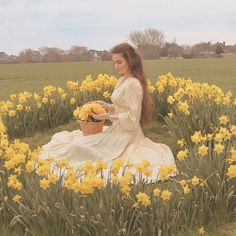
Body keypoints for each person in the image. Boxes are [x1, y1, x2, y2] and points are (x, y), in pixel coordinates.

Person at [40, 42, 177, 180]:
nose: (116, 66)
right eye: (114, 63)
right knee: (79, 144)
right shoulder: (123, 80)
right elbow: (122, 106)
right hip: (117, 129)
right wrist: (107, 106)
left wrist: (106, 116)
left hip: (126, 135)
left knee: (81, 146)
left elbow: (133, 119)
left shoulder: (133, 84)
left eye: (119, 62)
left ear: (130, 61)